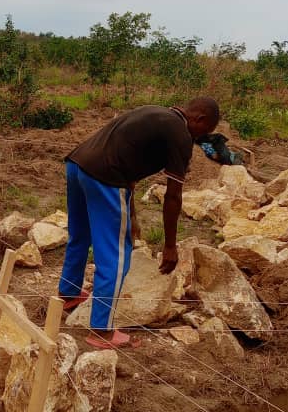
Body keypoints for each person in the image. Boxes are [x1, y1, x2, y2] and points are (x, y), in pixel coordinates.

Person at [58, 97, 220, 349]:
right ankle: (102, 330)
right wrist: (170, 246)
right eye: (205, 132)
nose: (200, 140)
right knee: (116, 256)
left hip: (77, 165)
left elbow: (130, 169)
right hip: (105, 178)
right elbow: (173, 196)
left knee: (80, 235)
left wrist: (132, 216)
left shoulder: (154, 112)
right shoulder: (180, 134)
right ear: (200, 119)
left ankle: (68, 294)